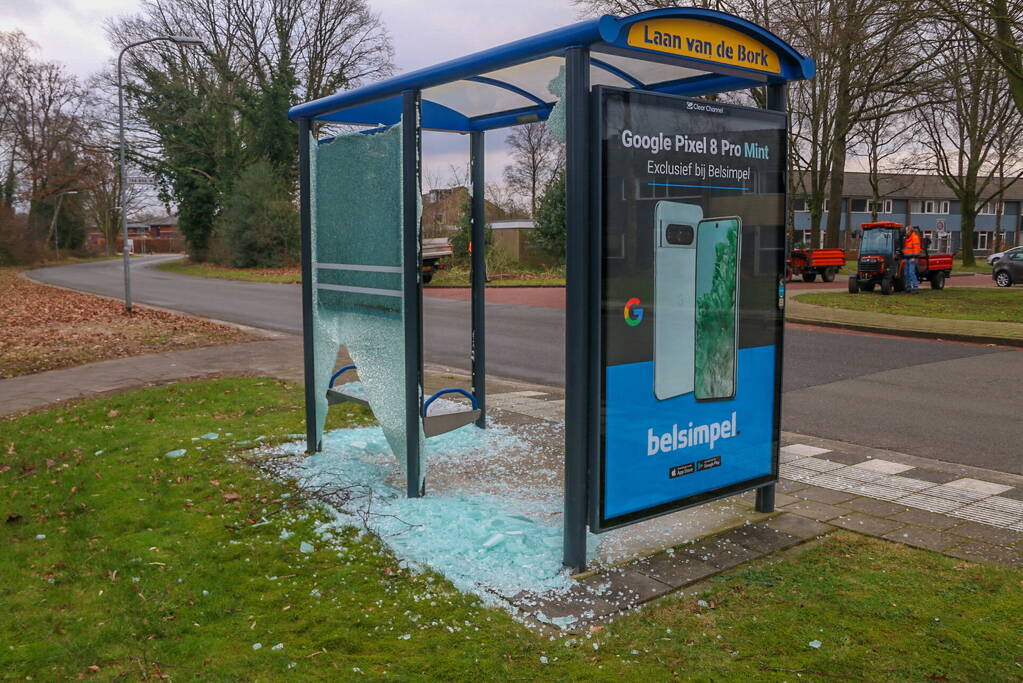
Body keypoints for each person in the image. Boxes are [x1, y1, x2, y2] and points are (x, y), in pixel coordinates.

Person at [903, 226, 922, 293]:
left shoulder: (915, 237)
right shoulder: (907, 238)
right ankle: (908, 287)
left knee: (911, 272)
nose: (906, 232)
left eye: (906, 230)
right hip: (907, 258)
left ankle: (915, 287)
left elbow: (916, 248)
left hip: (912, 258)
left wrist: (914, 257)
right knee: (906, 273)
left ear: (910, 231)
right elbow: (906, 249)